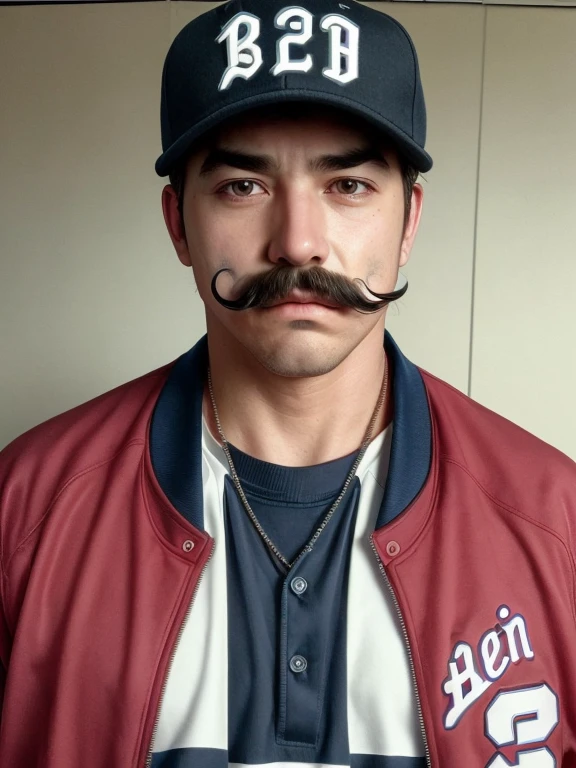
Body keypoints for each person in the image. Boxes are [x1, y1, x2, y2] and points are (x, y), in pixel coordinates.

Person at [0, 0, 575, 765]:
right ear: (178, 223)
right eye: (243, 186)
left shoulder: (555, 520)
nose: (298, 241)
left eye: (348, 186)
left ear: (408, 223)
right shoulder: (24, 512)